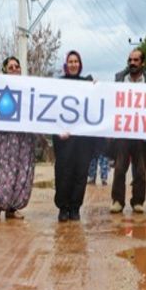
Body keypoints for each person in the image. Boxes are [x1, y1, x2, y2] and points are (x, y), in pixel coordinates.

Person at [0, 56, 36, 221]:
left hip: (23, 137)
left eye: (17, 67)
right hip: (3, 137)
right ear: (5, 70)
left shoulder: (28, 87)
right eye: (11, 67)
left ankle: (12, 207)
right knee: (1, 172)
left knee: (20, 171)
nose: (15, 69)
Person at [110, 48, 146, 214]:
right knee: (120, 168)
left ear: (143, 63)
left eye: (136, 60)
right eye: (130, 60)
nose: (132, 63)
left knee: (141, 170)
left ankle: (138, 201)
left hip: (143, 134)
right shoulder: (119, 81)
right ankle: (117, 201)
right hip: (123, 132)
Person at [53, 50, 96, 222]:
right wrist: (57, 131)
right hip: (64, 139)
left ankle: (75, 208)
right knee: (64, 173)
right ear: (66, 64)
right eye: (70, 61)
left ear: (80, 64)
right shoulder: (58, 84)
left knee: (80, 174)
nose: (73, 64)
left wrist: (98, 87)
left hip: (83, 140)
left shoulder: (87, 83)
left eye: (76, 61)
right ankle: (63, 208)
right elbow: (52, 110)